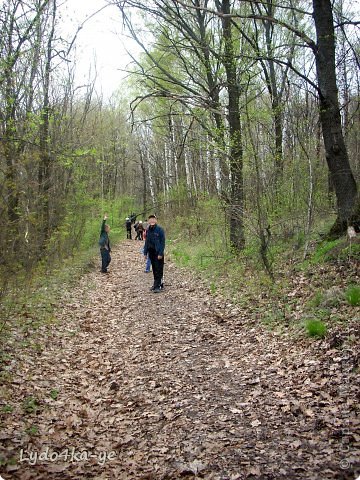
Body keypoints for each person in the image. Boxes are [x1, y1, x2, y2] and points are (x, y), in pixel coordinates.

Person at [143, 214, 165, 293]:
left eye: (153, 219)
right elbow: (146, 242)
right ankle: (156, 284)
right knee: (154, 269)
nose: (152, 220)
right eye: (150, 219)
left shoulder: (160, 230)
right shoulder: (148, 230)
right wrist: (145, 253)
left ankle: (158, 285)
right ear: (148, 221)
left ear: (156, 220)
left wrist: (160, 253)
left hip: (158, 252)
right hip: (151, 252)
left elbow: (162, 243)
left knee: (159, 269)